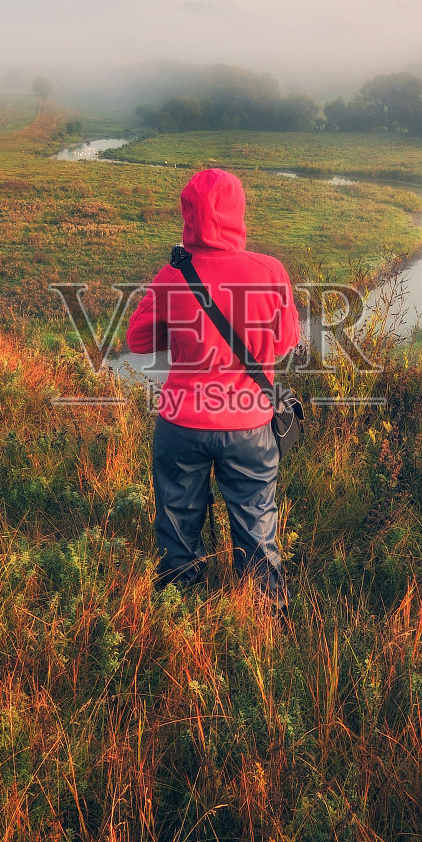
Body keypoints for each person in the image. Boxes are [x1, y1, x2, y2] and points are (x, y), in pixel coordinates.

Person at [125, 167, 300, 609]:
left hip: (181, 424)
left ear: (188, 215)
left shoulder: (172, 274)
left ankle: (177, 614)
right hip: (251, 427)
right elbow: (283, 343)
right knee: (257, 523)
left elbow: (138, 341)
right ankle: (264, 619)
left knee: (177, 522)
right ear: (239, 212)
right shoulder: (271, 270)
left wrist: (183, 333)